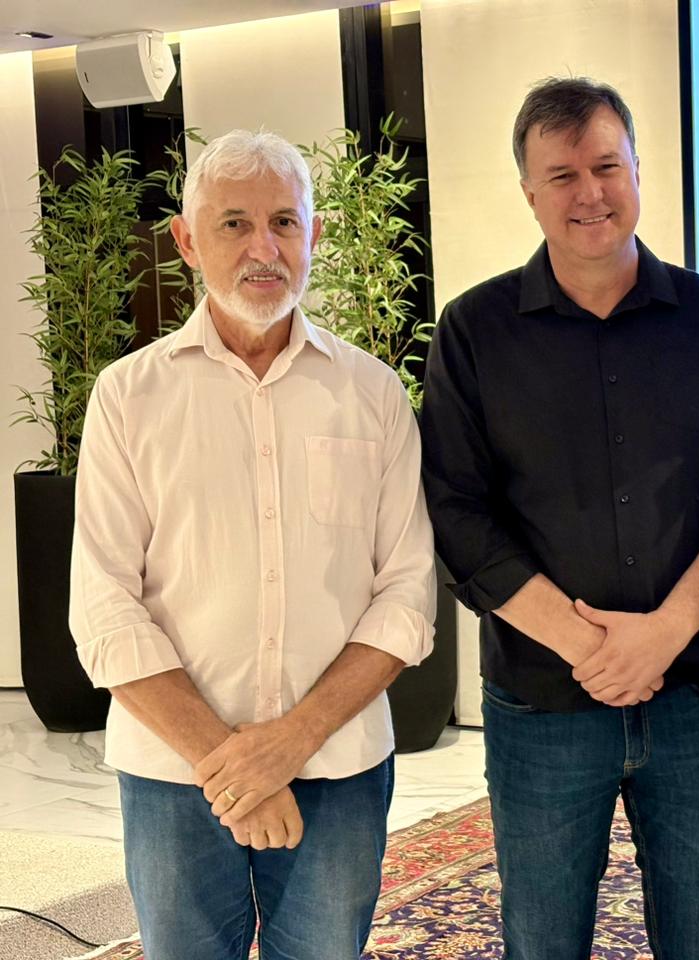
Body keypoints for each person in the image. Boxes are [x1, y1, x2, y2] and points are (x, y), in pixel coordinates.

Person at [420, 77, 699, 959]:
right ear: (529, 191)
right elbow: (458, 514)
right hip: (542, 701)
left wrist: (662, 634)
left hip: (695, 692)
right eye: (562, 175)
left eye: (605, 166)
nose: (589, 192)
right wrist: (591, 647)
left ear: (636, 170)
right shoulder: (473, 332)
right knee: (542, 943)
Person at [69, 129, 436, 960]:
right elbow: (104, 606)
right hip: (174, 773)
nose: (263, 248)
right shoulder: (128, 396)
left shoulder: (373, 394)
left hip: (337, 764)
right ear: (186, 239)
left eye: (284, 222)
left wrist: (288, 744)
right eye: (234, 223)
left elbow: (407, 595)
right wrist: (231, 766)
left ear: (315, 234)